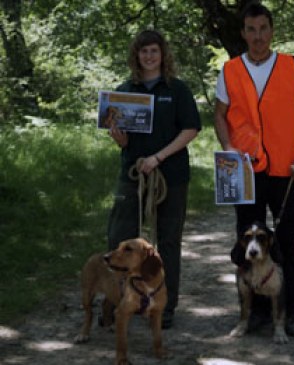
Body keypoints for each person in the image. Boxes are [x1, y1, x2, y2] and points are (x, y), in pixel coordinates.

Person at [214, 2, 294, 337]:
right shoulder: (229, 70)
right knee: (247, 242)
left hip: (286, 170)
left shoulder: (289, 66)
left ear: (272, 31)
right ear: (243, 33)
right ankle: (253, 311)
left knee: (289, 240)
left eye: (263, 29)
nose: (258, 37)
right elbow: (219, 115)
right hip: (244, 170)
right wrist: (228, 149)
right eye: (251, 30)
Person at [107, 29, 201, 329]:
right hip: (132, 175)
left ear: (163, 55)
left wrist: (159, 157)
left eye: (154, 51)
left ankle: (166, 304)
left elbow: (191, 129)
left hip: (170, 176)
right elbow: (124, 142)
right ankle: (116, 301)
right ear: (136, 55)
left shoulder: (177, 90)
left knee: (168, 241)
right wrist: (119, 138)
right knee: (118, 240)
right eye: (143, 51)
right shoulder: (124, 91)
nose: (149, 57)